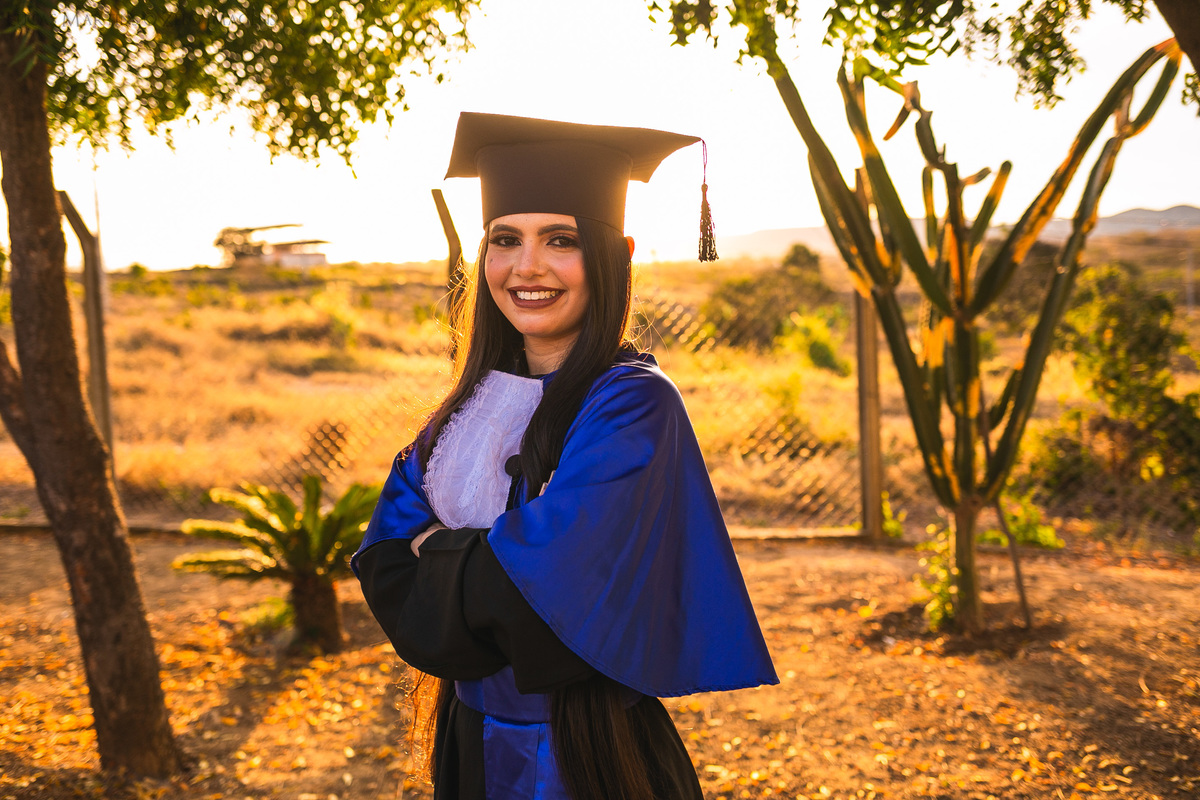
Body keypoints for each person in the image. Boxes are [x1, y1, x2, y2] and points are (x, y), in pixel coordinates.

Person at [354, 112, 777, 800]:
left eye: (561, 240)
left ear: (617, 253)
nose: (527, 266)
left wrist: (440, 549)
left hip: (589, 755)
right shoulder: (465, 408)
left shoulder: (634, 405)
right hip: (469, 740)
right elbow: (384, 565)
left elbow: (542, 590)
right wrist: (483, 556)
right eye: (505, 239)